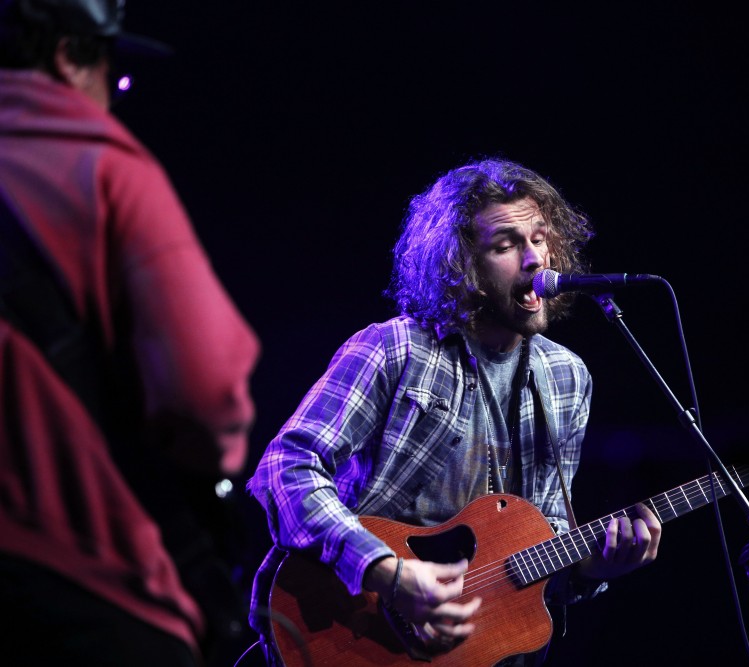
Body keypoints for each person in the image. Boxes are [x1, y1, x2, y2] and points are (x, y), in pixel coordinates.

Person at [247, 158, 662, 665]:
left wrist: (589, 570)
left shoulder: (566, 377)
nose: (535, 260)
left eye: (539, 237)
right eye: (506, 246)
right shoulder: (393, 349)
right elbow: (284, 470)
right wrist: (386, 571)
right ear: (460, 265)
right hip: (355, 628)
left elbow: (543, 538)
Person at [0, 1, 260, 665]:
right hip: (89, 582)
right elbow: (204, 393)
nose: (112, 105)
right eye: (112, 81)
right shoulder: (102, 167)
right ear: (68, 55)